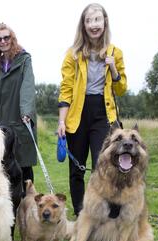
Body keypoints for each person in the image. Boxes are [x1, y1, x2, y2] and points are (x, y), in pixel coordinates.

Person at [57, 3, 127, 216]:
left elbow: (121, 88)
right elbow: (66, 88)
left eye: (97, 19)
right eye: (89, 20)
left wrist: (113, 66)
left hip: (103, 114)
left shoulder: (116, 52)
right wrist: (62, 121)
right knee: (77, 170)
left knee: (105, 166)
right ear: (83, 25)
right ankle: (81, 216)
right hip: (78, 114)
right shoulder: (73, 54)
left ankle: (111, 216)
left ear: (104, 22)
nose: (93, 25)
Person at [0, 23, 37, 192]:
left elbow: (28, 87)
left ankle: (29, 205)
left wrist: (26, 112)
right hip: (3, 126)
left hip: (21, 120)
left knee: (24, 166)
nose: (3, 41)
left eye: (6, 37)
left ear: (12, 38)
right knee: (4, 168)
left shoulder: (24, 60)